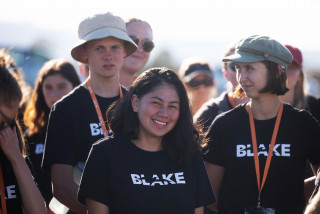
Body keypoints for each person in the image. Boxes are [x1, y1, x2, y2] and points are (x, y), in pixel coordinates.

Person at [203, 35, 320, 213]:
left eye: (249, 68)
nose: (242, 77)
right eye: (238, 68)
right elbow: (208, 195)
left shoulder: (303, 124)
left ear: (277, 70)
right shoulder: (224, 125)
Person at [78, 67, 215, 214]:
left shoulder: (190, 155)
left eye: (172, 106)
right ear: (135, 102)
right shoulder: (104, 154)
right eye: (156, 103)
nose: (164, 113)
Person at [42, 12, 137, 214]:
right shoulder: (65, 109)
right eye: (99, 48)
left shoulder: (137, 104)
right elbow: (60, 185)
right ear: (84, 54)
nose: (108, 55)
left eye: (114, 47)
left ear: (124, 52)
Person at [23, 59, 81, 209]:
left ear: (75, 87)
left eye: (61, 86)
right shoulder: (31, 136)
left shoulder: (86, 129)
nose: (54, 94)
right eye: (48, 87)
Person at [0, 51, 46, 214]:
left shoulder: (11, 156)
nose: (7, 130)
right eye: (3, 122)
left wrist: (16, 158)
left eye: (10, 123)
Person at [193, 46, 249, 133]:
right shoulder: (208, 114)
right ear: (225, 74)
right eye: (235, 66)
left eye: (249, 66)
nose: (242, 73)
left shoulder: (271, 109)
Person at [280, 44, 320, 122]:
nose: (284, 73)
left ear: (300, 76)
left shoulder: (315, 108)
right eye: (281, 67)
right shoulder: (257, 108)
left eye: (290, 68)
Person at [119, 18, 154, 88]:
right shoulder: (94, 87)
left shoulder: (148, 92)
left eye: (147, 44)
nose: (139, 49)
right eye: (132, 41)